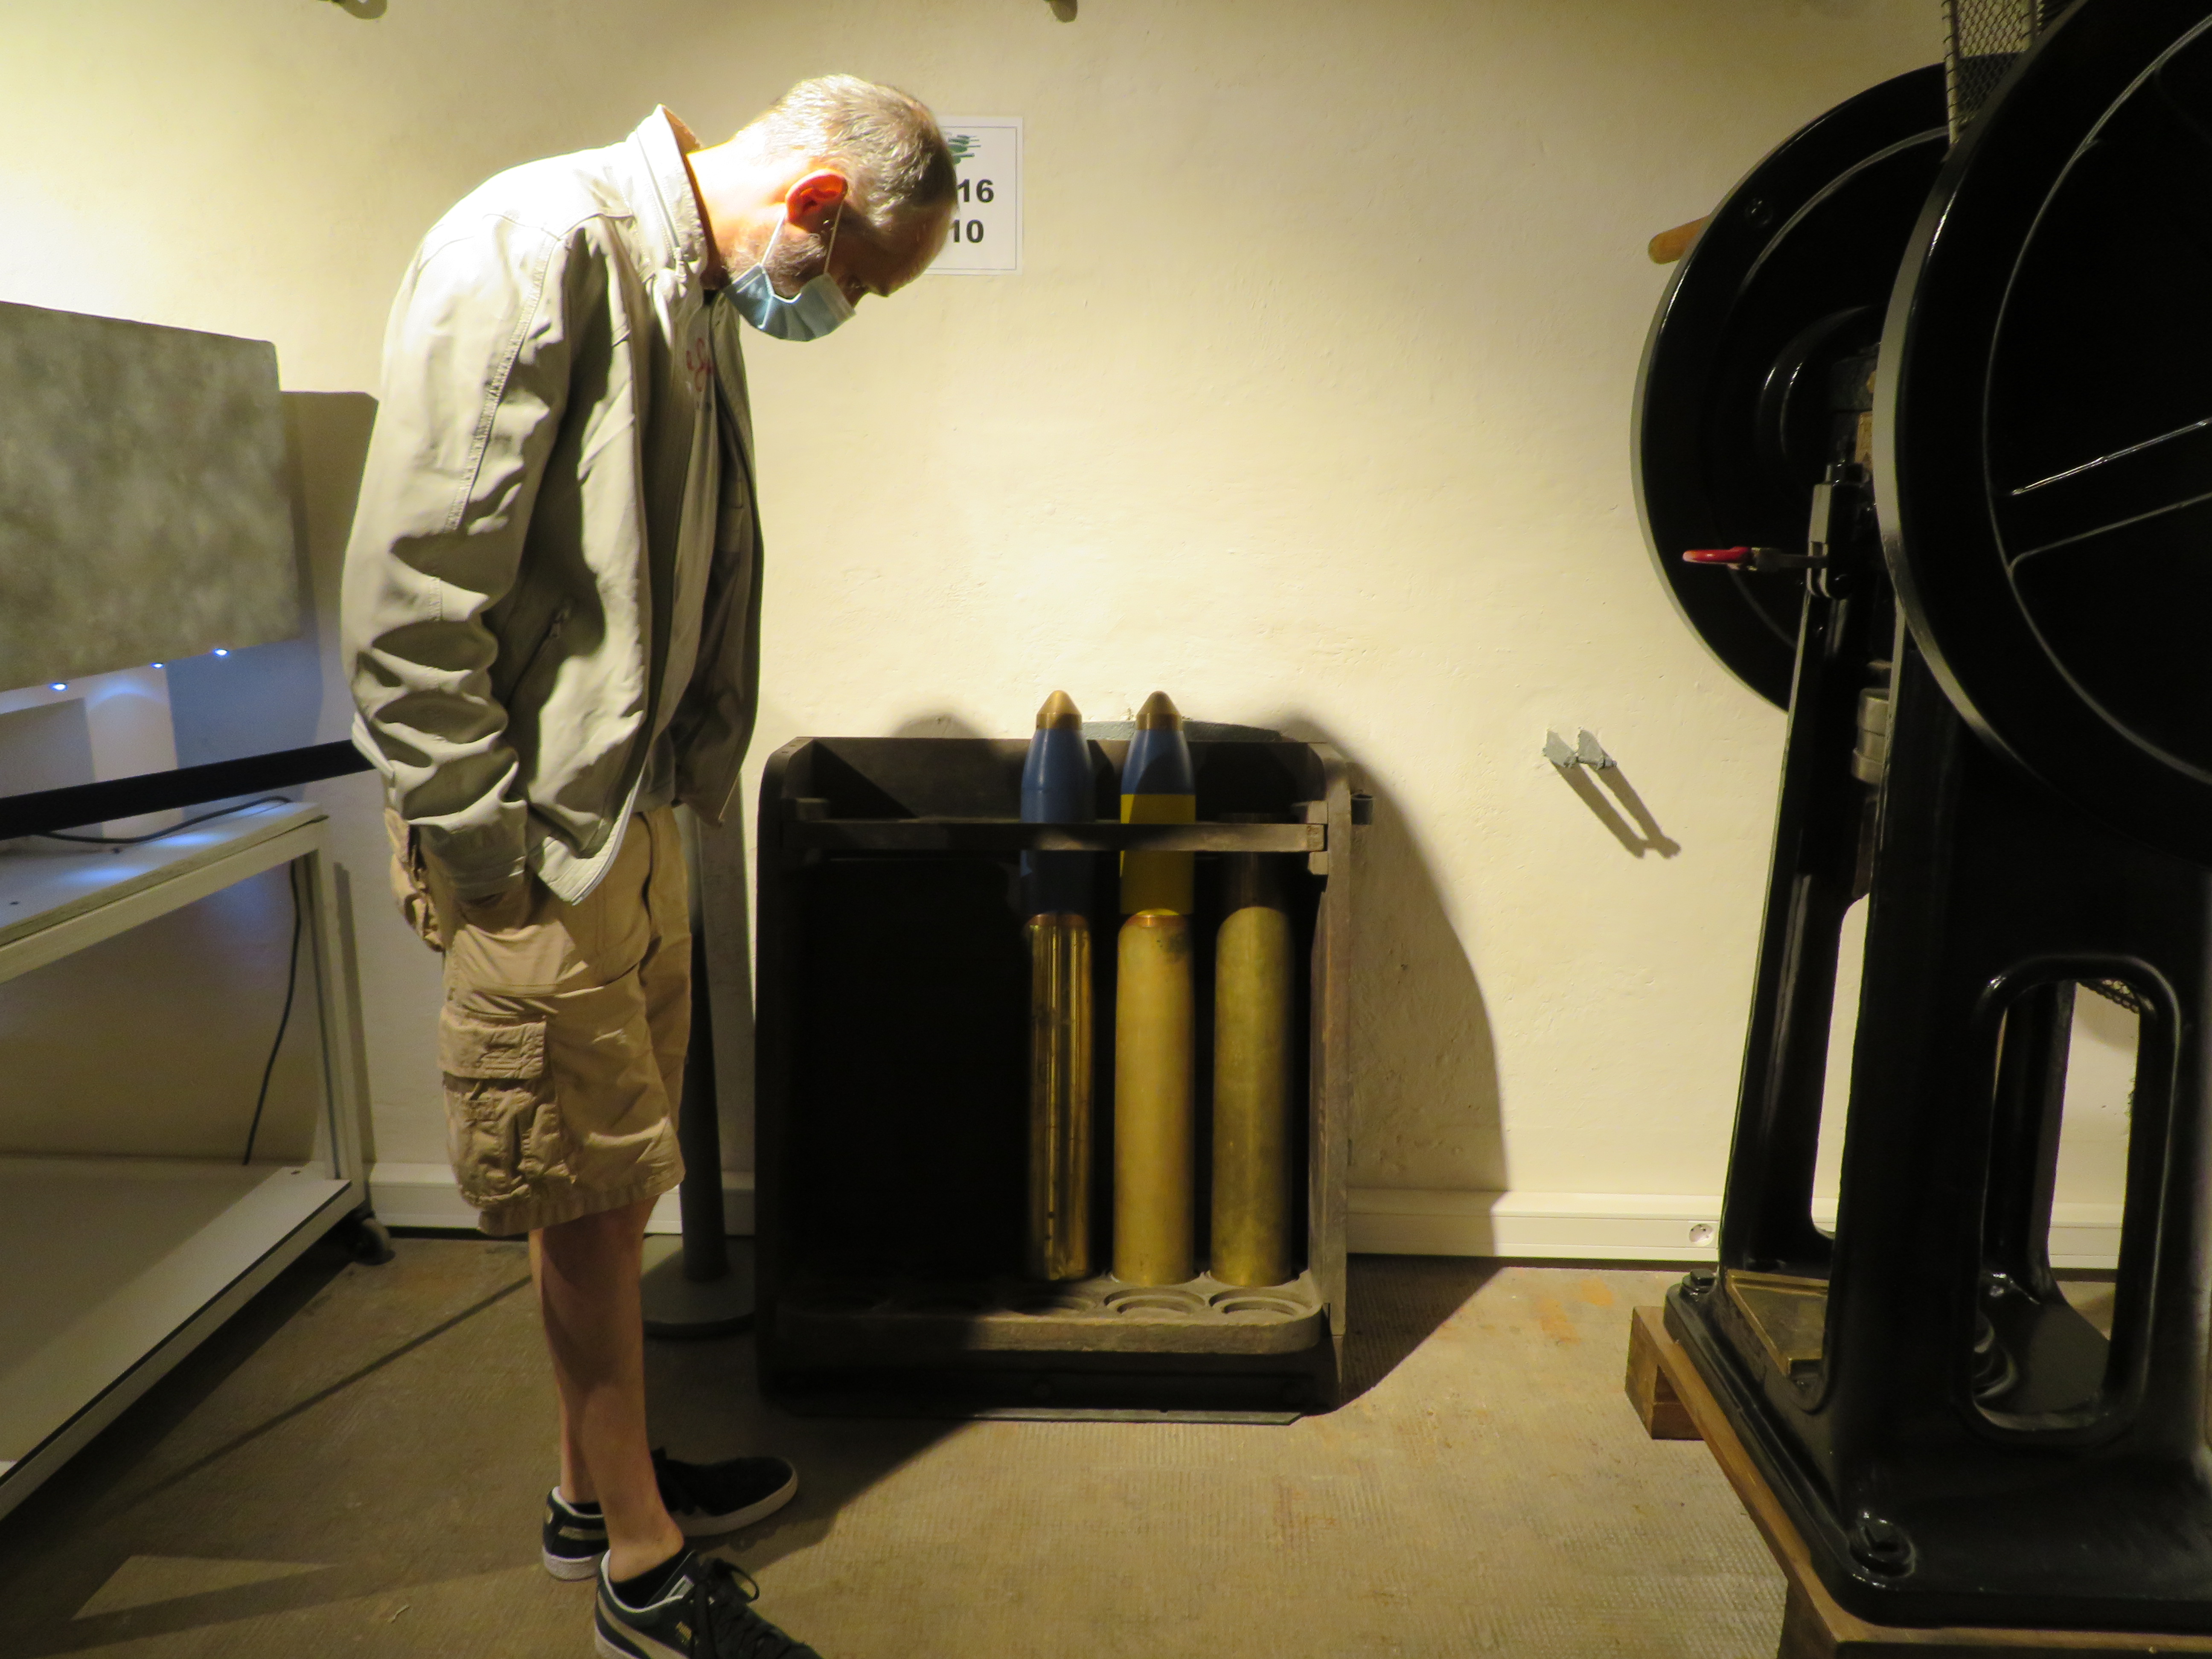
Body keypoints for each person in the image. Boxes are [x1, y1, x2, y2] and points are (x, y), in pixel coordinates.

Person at [341, 77, 956, 1659]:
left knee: (609, 1182)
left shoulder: (688, 282)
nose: (843, 312)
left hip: (624, 814)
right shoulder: (540, 243)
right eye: (861, 281)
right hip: (536, 836)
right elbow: (414, 599)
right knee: (586, 1180)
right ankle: (636, 1562)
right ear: (816, 205)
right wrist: (490, 854)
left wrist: (671, 790)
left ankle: (587, 1487)